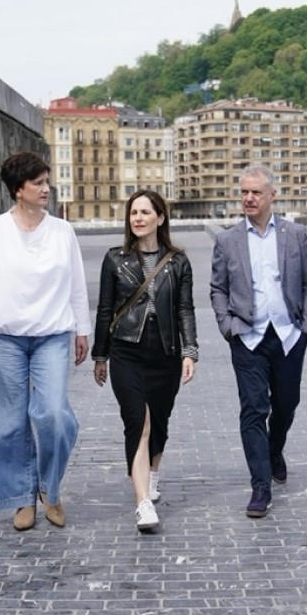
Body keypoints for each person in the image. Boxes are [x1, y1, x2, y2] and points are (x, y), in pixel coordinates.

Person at [0, 150, 91, 531]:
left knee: (53, 414)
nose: (46, 189)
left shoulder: (62, 231)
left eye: (47, 182)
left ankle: (50, 488)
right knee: (5, 423)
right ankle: (21, 497)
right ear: (19, 189)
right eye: (38, 183)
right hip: (4, 339)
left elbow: (76, 284)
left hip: (52, 336)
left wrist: (82, 329)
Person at [210, 166, 307, 518]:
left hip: (288, 335)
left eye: (256, 192)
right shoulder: (227, 240)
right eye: (244, 192)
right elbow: (218, 288)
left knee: (287, 403)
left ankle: (274, 450)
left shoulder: (295, 234)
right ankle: (260, 486)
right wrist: (228, 327)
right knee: (254, 409)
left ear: (272, 195)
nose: (249, 198)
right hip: (247, 337)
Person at [93, 190, 198, 532]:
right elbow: (105, 309)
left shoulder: (178, 262)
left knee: (160, 422)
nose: (137, 218)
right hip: (127, 350)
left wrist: (189, 350)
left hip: (165, 352)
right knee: (138, 422)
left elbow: (184, 309)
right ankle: (142, 503)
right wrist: (100, 355)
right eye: (133, 212)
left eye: (145, 212)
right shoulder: (115, 259)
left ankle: (153, 474)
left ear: (160, 218)